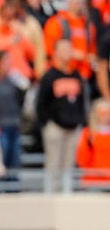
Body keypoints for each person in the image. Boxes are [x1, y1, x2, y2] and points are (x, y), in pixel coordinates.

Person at [36, 39, 86, 192]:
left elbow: (82, 101)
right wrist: (47, 123)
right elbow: (40, 103)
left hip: (73, 126)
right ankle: (50, 192)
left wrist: (80, 121)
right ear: (56, 53)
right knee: (53, 161)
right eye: (63, 49)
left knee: (68, 163)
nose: (67, 52)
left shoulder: (76, 74)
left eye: (69, 49)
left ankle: (66, 192)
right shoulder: (49, 76)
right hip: (55, 126)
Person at [44, 0, 96, 80]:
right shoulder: (57, 22)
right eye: (75, 1)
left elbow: (92, 50)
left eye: (80, 1)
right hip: (64, 73)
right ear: (68, 2)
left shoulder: (88, 25)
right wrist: (71, 54)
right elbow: (49, 49)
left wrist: (91, 57)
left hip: (85, 74)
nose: (78, 5)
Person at [76, 100, 110, 184]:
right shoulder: (88, 134)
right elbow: (81, 160)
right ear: (96, 114)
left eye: (108, 113)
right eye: (102, 113)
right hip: (93, 181)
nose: (106, 116)